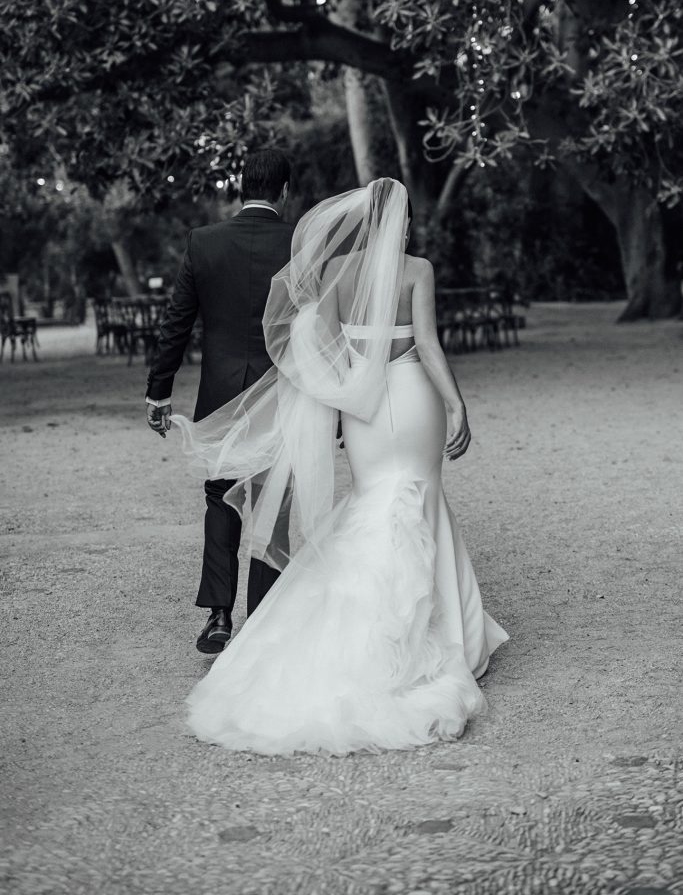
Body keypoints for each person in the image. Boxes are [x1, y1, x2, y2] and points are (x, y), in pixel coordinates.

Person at [173, 177, 508, 756]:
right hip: (410, 398)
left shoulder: (334, 274)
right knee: (419, 497)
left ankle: (359, 630)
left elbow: (312, 343)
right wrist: (456, 402)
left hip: (364, 413)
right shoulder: (417, 270)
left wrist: (348, 386)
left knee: (374, 500)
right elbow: (426, 345)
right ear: (397, 223)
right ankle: (432, 640)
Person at [145, 149, 295, 653]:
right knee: (272, 500)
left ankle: (219, 616)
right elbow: (319, 330)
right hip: (282, 393)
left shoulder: (204, 243)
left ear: (241, 187)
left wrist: (159, 391)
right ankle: (267, 616)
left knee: (220, 498)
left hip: (221, 394)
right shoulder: (301, 242)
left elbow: (177, 322)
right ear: (285, 191)